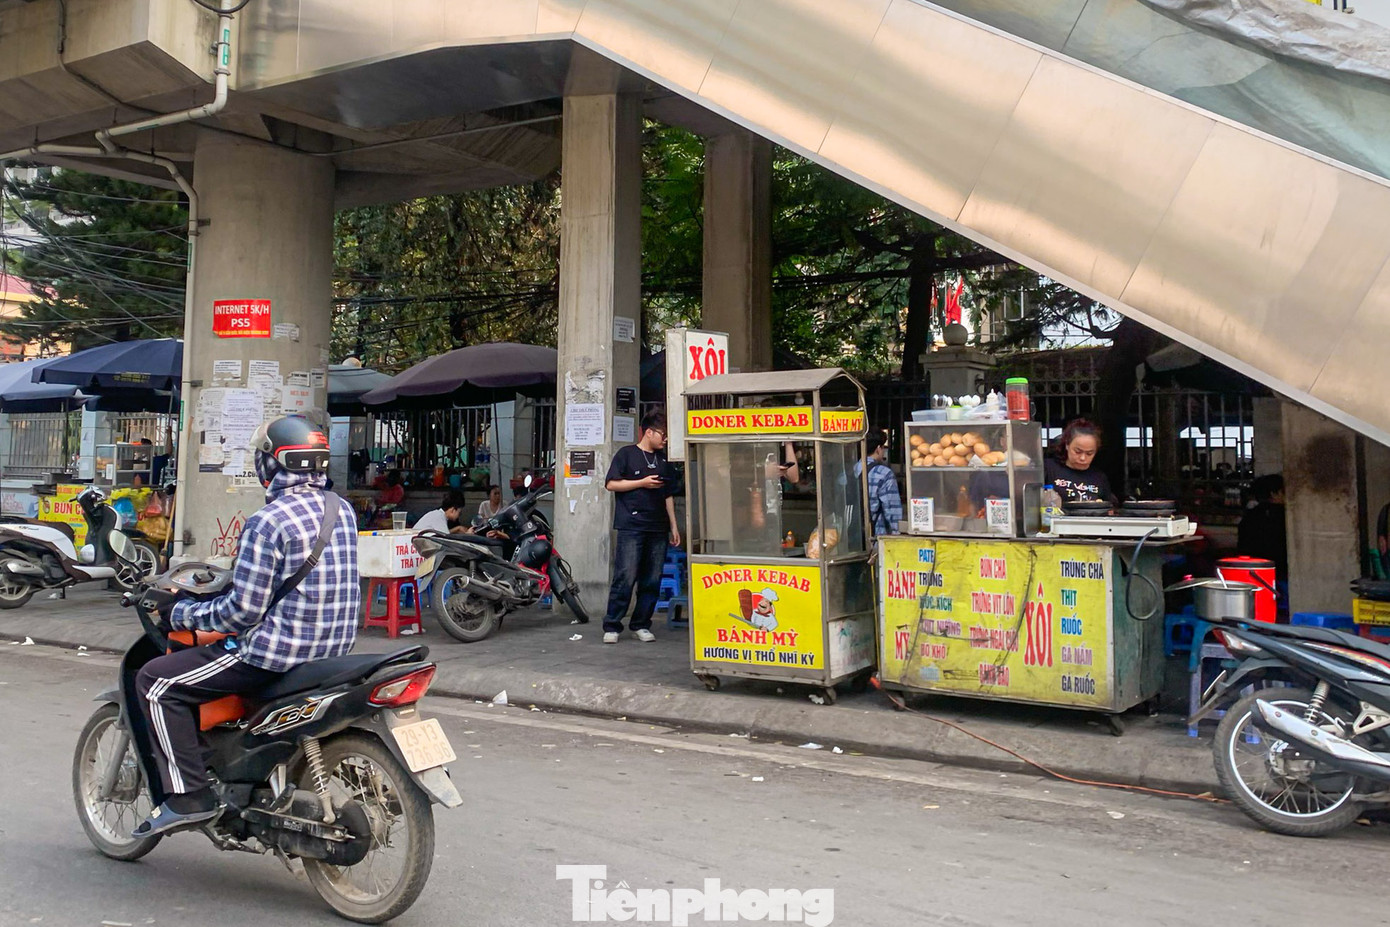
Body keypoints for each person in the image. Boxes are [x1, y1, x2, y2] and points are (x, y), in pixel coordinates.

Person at [132, 416, 359, 837]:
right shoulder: (341, 510)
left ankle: (189, 797)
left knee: (155, 682)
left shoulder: (268, 521)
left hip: (274, 656)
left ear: (271, 465)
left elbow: (241, 614)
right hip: (332, 653)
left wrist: (181, 614)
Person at [601, 410, 680, 643]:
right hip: (631, 525)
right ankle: (613, 625)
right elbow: (611, 484)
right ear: (649, 432)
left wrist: (674, 526)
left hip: (658, 527)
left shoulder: (664, 460)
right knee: (625, 576)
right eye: (663, 434)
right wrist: (642, 483)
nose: (665, 439)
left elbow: (668, 495)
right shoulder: (626, 454)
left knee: (652, 578)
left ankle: (641, 623)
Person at [1044, 418, 1117, 505]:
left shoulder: (1099, 477)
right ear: (1067, 445)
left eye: (1089, 453)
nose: (1083, 458)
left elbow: (1108, 507)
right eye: (1077, 451)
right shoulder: (1048, 469)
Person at [1238, 473, 1288, 582]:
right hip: (1281, 573)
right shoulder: (1286, 517)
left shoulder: (1249, 517)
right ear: (1274, 494)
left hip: (1254, 573)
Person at [864, 431, 903, 536]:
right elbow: (892, 509)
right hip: (875, 537)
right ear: (878, 449)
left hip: (851, 540)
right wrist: (897, 534)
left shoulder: (848, 471)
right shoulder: (884, 473)